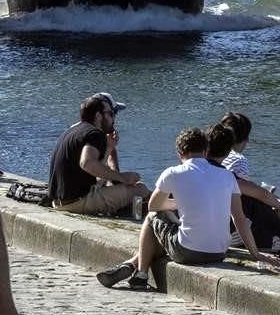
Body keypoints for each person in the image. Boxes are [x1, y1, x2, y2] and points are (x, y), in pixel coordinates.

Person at [97, 126, 280, 290]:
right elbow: (238, 218)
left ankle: (141, 273)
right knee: (171, 233)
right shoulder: (227, 176)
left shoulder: (172, 173)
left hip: (187, 252)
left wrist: (180, 203)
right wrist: (255, 254)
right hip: (218, 252)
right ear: (205, 149)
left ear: (179, 153)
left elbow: (154, 205)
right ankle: (130, 266)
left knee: (153, 217)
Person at [48, 93, 150, 216]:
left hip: (59, 202)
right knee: (141, 189)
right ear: (98, 116)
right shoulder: (95, 134)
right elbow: (87, 163)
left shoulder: (73, 131)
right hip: (77, 203)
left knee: (111, 183)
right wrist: (122, 177)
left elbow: (91, 170)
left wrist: (109, 148)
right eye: (111, 114)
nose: (113, 119)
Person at [218, 112, 280, 250]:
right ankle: (273, 239)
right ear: (246, 139)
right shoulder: (239, 160)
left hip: (211, 216)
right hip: (229, 222)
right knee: (259, 202)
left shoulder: (208, 155)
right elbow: (241, 193)